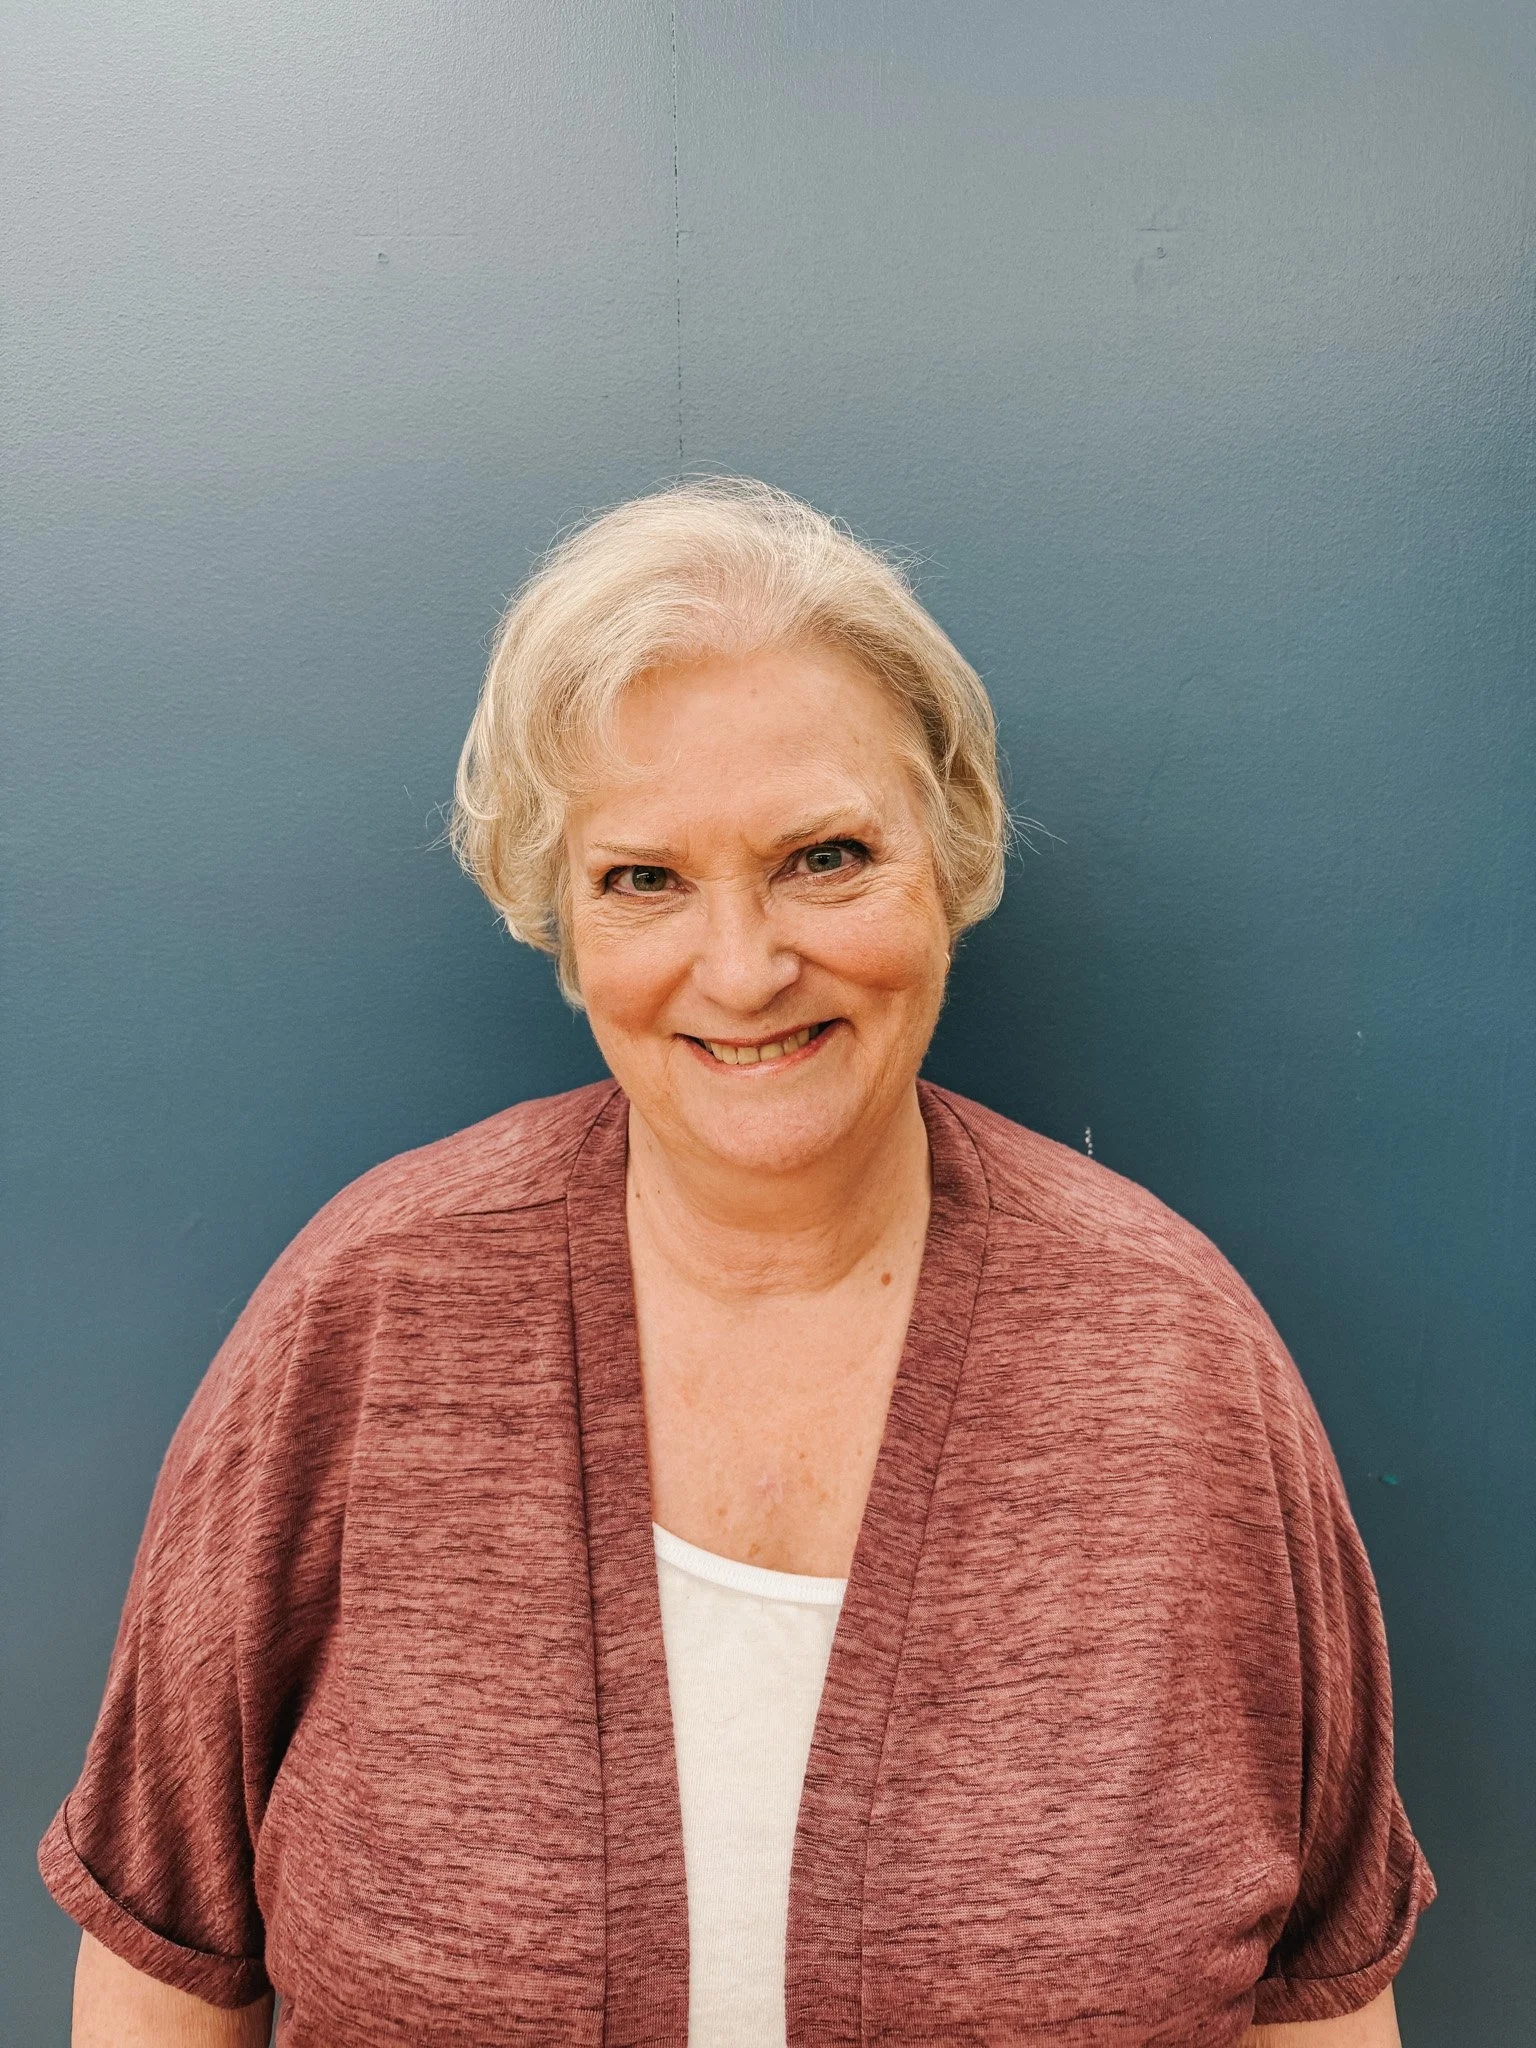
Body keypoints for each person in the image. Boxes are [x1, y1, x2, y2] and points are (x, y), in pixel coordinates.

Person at [45, 480, 1435, 2047]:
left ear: (951, 851)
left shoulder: (1178, 1359)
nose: (745, 966)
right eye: (644, 878)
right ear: (559, 918)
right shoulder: (365, 1321)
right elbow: (163, 1965)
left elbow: (1324, 2000)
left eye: (826, 856)